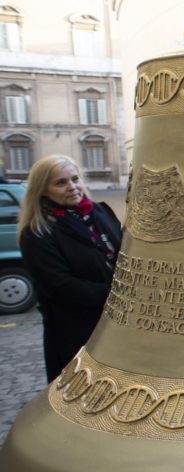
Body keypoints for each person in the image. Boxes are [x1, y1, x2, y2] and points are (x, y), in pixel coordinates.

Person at [18, 155, 122, 382]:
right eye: (60, 183)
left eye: (75, 179)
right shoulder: (37, 232)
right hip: (75, 330)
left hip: (114, 325)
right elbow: (59, 285)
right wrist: (116, 296)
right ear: (43, 190)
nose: (72, 187)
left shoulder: (100, 211)